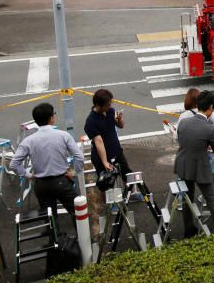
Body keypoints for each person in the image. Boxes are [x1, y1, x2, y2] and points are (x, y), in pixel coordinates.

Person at [10, 102, 84, 231]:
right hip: (62, 181)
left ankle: (55, 243)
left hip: (41, 184)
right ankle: (81, 242)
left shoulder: (29, 141)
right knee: (77, 212)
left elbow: (14, 164)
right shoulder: (63, 135)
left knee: (50, 218)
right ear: (51, 118)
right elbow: (79, 157)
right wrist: (74, 172)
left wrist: (28, 175)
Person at [174, 91, 214, 236]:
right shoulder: (209, 129)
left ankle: (189, 231)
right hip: (200, 167)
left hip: (182, 164)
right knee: (211, 198)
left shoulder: (183, 122)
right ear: (211, 107)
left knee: (188, 199)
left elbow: (183, 140)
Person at [84, 88, 133, 183]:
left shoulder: (110, 111)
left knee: (127, 175)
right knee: (106, 182)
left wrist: (119, 119)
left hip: (117, 151)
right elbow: (99, 142)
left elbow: (120, 126)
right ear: (98, 105)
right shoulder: (91, 121)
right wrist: (105, 162)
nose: (110, 106)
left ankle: (132, 193)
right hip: (101, 157)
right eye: (107, 105)